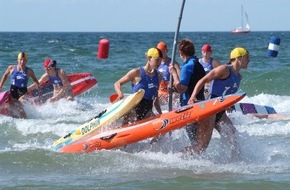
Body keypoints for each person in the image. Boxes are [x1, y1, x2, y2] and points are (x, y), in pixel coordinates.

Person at [188, 47, 250, 156]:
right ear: (239, 58)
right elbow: (203, 80)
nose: (249, 61)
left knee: (233, 138)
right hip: (210, 111)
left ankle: (234, 164)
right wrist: (192, 97)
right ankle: (176, 157)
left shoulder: (239, 77)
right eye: (247, 58)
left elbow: (226, 94)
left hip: (221, 113)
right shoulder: (224, 70)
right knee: (201, 147)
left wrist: (228, 105)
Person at [168, 39, 214, 154]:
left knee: (195, 144)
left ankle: (178, 156)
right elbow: (192, 83)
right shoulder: (197, 63)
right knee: (199, 146)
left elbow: (182, 88)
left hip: (190, 108)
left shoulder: (188, 66)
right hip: (200, 104)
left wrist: (173, 73)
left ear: (181, 53)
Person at [114, 47, 163, 122]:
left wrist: (161, 114)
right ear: (149, 58)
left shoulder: (159, 76)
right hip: (133, 112)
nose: (159, 63)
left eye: (160, 60)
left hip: (147, 112)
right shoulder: (136, 72)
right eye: (157, 60)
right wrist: (120, 93)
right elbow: (117, 83)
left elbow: (155, 98)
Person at [0, 52, 40, 118]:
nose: (22, 61)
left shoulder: (29, 71)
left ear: (26, 61)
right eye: (21, 59)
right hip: (13, 92)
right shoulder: (11, 68)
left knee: (19, 107)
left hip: (23, 92)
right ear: (17, 60)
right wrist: (0, 85)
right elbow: (5, 75)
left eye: (24, 60)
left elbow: (35, 80)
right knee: (12, 109)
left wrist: (38, 87)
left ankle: (25, 122)